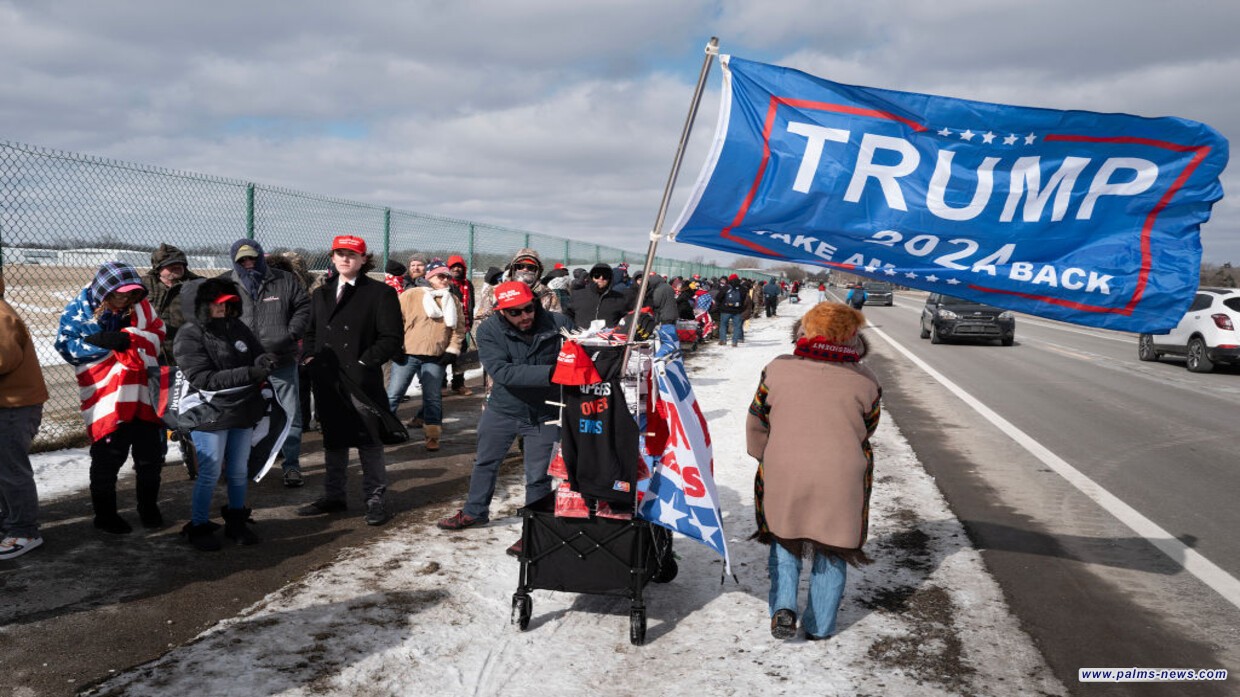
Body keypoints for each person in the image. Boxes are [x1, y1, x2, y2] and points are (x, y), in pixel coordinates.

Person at [746, 302, 882, 640]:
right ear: (852, 337)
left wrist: (767, 456)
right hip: (842, 475)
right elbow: (868, 427)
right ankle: (820, 626)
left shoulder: (777, 369)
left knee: (785, 538)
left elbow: (757, 418)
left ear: (805, 331)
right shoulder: (866, 380)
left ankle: (783, 608)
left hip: (785, 467)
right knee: (833, 548)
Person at [437, 281, 573, 556]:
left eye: (528, 308)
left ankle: (533, 533)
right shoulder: (488, 330)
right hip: (503, 409)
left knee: (538, 477)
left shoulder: (558, 323)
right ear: (501, 312)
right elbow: (502, 372)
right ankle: (475, 511)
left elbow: (580, 352)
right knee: (486, 462)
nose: (525, 316)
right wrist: (555, 373)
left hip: (545, 412)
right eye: (515, 312)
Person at [298, 235, 403, 526]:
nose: (345, 259)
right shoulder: (321, 293)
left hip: (361, 380)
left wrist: (363, 362)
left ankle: (375, 498)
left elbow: (391, 338)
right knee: (334, 439)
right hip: (328, 379)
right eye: (340, 254)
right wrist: (310, 358)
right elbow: (310, 332)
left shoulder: (380, 293)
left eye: (352, 255)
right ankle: (334, 496)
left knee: (369, 440)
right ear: (332, 257)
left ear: (364, 260)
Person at [55, 262, 167, 534]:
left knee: (150, 456)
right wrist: (100, 342)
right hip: (107, 394)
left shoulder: (142, 308)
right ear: (104, 290)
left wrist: (131, 337)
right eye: (118, 293)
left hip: (143, 392)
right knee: (108, 456)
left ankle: (148, 508)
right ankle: (105, 516)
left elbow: (159, 334)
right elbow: (65, 345)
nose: (124, 299)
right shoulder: (79, 309)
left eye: (130, 294)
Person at [173, 277, 273, 551]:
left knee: (239, 470)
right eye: (216, 304)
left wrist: (263, 361)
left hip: (242, 409)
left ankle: (236, 522)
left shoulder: (235, 325)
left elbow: (256, 353)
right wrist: (249, 374)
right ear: (200, 305)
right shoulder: (189, 334)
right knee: (210, 471)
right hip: (209, 413)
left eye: (227, 304)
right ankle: (199, 525)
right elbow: (202, 378)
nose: (222, 309)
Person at [221, 239, 312, 489]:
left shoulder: (284, 280)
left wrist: (290, 335)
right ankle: (242, 466)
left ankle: (292, 465)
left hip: (281, 360)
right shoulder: (225, 282)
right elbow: (212, 316)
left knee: (290, 413)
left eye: (252, 258)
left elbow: (303, 307)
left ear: (260, 257)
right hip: (243, 365)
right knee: (242, 415)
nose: (248, 263)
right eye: (242, 260)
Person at [387, 260, 467, 451]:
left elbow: (459, 329)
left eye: (447, 276)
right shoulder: (411, 295)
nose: (446, 279)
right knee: (393, 395)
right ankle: (382, 428)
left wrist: (451, 350)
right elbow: (394, 321)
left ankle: (432, 435)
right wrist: (395, 346)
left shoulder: (452, 300)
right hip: (407, 354)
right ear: (429, 277)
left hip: (436, 356)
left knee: (432, 397)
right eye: (441, 276)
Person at [0, 268, 49, 559]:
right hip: (9, 404)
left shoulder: (1, 314)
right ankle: (10, 522)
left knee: (10, 470)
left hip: (14, 406)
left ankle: (24, 530)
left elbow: (4, 358)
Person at [141, 243, 202, 479]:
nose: (176, 269)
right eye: (169, 265)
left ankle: (194, 458)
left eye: (180, 264)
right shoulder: (144, 286)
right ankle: (158, 455)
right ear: (158, 268)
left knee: (188, 410)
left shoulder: (197, 284)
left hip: (186, 358)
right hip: (154, 359)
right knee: (157, 410)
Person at [474, 248, 562, 322]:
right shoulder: (495, 291)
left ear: (537, 271)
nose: (525, 270)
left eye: (530, 267)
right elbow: (482, 319)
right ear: (513, 268)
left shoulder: (548, 295)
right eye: (520, 266)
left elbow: (556, 323)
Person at [445, 255, 476, 396]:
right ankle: (441, 385)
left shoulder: (468, 284)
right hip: (446, 327)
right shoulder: (445, 283)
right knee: (444, 356)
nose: (456, 269)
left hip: (463, 326)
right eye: (453, 266)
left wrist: (469, 322)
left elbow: (471, 304)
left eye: (459, 266)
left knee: (461, 358)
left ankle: (458, 384)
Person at [564, 262, 628, 329]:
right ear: (591, 277)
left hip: (608, 338)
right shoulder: (578, 295)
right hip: (581, 337)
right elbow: (567, 314)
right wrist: (574, 329)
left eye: (605, 276)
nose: (601, 278)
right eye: (597, 275)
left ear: (610, 278)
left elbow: (626, 318)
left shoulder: (619, 298)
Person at [717, 274, 749, 347]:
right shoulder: (742, 289)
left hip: (725, 310)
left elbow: (718, 297)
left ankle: (723, 340)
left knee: (723, 325)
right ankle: (734, 342)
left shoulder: (725, 287)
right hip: (737, 311)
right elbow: (744, 300)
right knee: (737, 326)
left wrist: (721, 305)